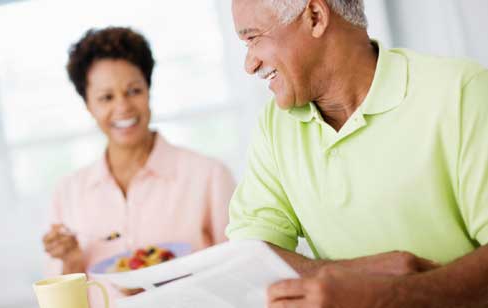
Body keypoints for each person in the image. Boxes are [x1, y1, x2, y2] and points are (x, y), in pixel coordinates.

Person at [226, 0, 488, 307]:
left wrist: (390, 296)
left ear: (315, 16)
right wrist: (350, 273)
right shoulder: (275, 125)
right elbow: (251, 253)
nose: (249, 64)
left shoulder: (460, 91)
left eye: (254, 38)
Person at [42, 27, 236, 307]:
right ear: (88, 105)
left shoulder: (208, 175)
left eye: (133, 91)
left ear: (148, 91)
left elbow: (238, 274)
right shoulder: (68, 192)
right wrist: (71, 261)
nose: (123, 107)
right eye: (106, 97)